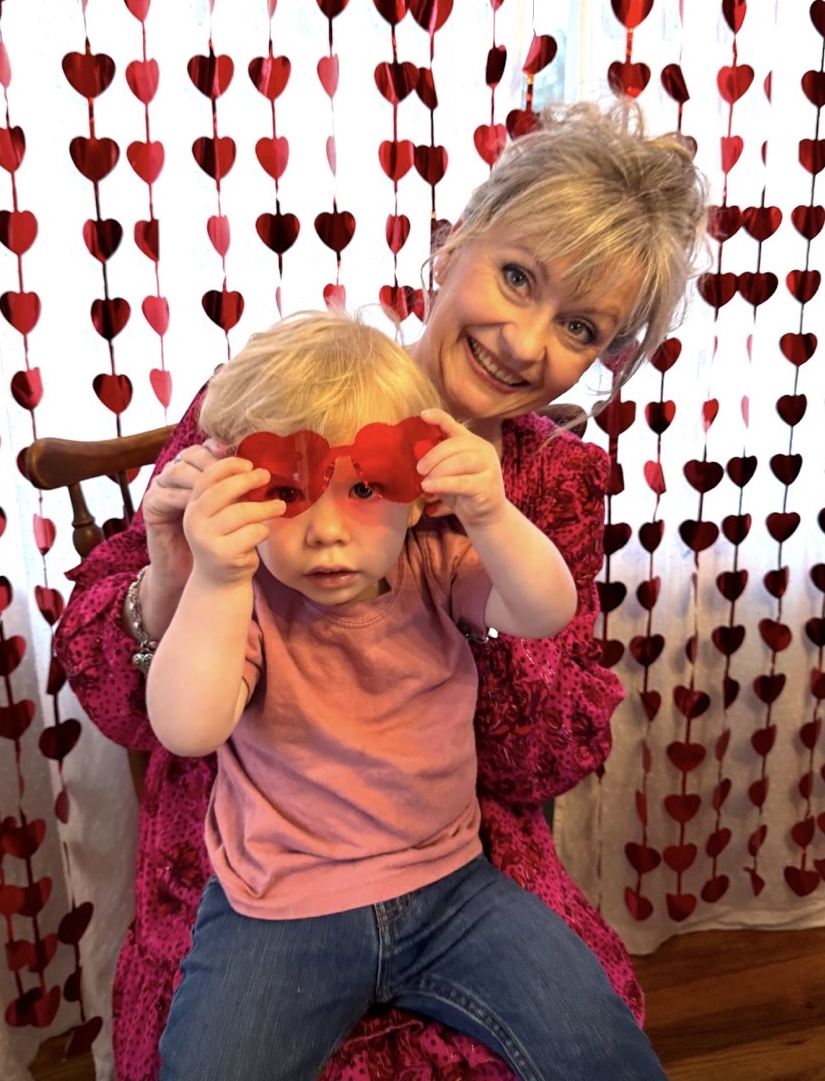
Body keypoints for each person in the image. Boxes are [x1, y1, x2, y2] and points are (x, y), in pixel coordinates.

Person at [54, 99, 707, 1081]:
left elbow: (545, 670)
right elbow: (155, 712)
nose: (525, 343)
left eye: (579, 326)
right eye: (516, 276)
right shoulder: (277, 402)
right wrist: (189, 570)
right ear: (452, 245)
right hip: (268, 880)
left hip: (452, 864)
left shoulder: (497, 514)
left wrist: (490, 513)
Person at [147, 311, 665, 1080]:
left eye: (364, 487)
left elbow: (544, 610)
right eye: (287, 491)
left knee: (602, 1051)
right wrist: (215, 577)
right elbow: (187, 727)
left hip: (454, 888)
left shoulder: (435, 566)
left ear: (416, 497)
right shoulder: (244, 603)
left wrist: (490, 512)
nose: (326, 532)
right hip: (279, 906)